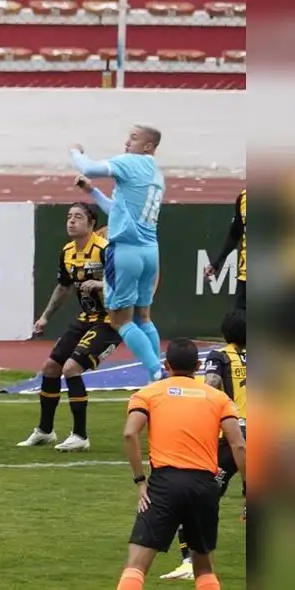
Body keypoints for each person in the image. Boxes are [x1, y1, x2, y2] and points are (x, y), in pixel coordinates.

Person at [117, 338, 246, 590]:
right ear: (198, 365)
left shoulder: (148, 393)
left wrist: (140, 481)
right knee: (204, 567)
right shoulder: (218, 398)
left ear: (166, 365)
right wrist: (248, 489)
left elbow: (130, 434)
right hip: (204, 486)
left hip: (164, 484)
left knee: (136, 564)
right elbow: (239, 445)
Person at [17, 203, 121, 452]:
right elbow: (63, 287)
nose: (71, 221)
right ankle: (45, 431)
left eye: (78, 217)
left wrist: (100, 285)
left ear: (92, 224)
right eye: (69, 217)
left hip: (111, 322)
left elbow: (124, 288)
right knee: (51, 368)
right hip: (87, 318)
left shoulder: (105, 250)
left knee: (71, 368)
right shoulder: (67, 252)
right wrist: (45, 317)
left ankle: (80, 436)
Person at [70, 126, 166, 382]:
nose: (126, 142)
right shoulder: (156, 174)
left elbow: (88, 167)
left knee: (120, 321)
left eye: (133, 138)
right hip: (150, 250)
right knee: (144, 316)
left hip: (126, 251)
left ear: (148, 146)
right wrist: (92, 192)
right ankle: (154, 374)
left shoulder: (131, 162)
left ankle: (157, 371)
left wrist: (75, 151)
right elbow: (118, 210)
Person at [160, 311, 247, 581]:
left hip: (232, 438)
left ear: (225, 333)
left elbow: (211, 385)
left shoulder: (219, 356)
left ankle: (190, 561)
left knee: (196, 502)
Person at [203, 189, 246, 310]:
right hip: (246, 278)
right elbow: (235, 234)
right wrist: (216, 263)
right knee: (237, 324)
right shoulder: (244, 197)